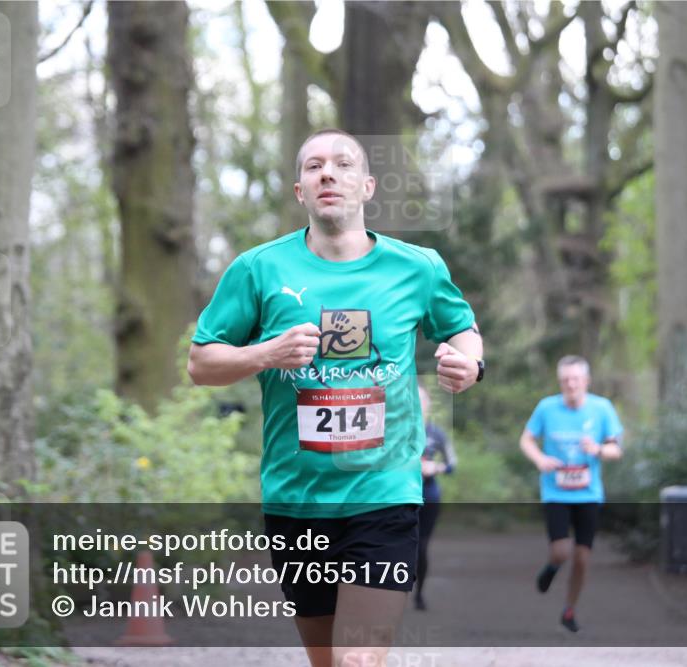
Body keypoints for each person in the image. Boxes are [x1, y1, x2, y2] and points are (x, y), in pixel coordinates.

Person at [187, 128, 484, 667]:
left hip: (386, 493)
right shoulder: (259, 270)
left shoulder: (417, 267)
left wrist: (470, 362)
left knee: (359, 660)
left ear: (367, 186)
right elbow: (201, 363)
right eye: (314, 166)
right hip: (296, 500)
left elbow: (462, 329)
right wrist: (266, 354)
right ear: (299, 191)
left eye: (343, 164)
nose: (328, 173)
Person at [519, 355, 622, 633]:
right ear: (560, 382)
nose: (571, 384)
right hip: (556, 492)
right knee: (561, 551)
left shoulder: (602, 409)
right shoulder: (547, 408)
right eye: (565, 380)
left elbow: (615, 449)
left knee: (583, 557)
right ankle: (551, 568)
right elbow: (526, 439)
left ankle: (569, 609)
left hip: (589, 495)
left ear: (586, 381)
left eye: (576, 379)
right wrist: (540, 459)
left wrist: (598, 450)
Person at [414, 384, 456, 611]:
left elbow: (452, 465)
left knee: (421, 546)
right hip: (399, 495)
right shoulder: (395, 431)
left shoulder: (437, 434)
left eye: (422, 400)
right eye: (413, 399)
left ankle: (419, 593)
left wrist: (435, 467)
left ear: (428, 405)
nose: (418, 405)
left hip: (428, 495)